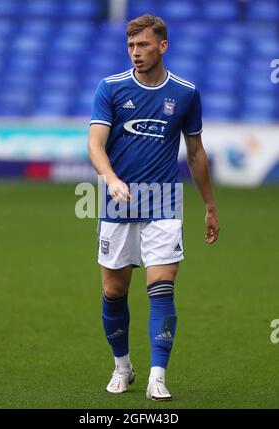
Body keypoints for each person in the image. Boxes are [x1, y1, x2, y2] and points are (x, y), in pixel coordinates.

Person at [88, 14, 220, 401]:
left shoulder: (185, 92)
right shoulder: (110, 88)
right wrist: (111, 179)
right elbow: (95, 144)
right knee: (114, 291)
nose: (135, 53)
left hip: (163, 201)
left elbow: (195, 152)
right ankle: (122, 366)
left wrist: (210, 206)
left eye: (142, 45)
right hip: (118, 202)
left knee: (161, 289)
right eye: (130, 46)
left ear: (162, 46)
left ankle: (157, 376)